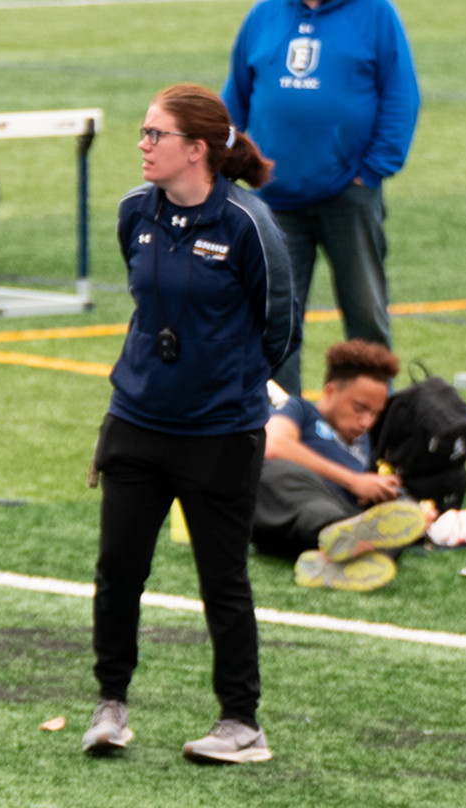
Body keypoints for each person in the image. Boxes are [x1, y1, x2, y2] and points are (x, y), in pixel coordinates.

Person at [83, 84, 299, 764]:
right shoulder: (134, 213)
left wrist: (226, 383)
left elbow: (280, 326)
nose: (143, 146)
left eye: (156, 135)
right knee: (119, 568)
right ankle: (111, 705)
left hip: (220, 432)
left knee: (222, 577)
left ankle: (242, 723)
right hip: (138, 421)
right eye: (143, 133)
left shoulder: (247, 224)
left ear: (196, 149)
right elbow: (147, 307)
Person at [223, 0, 420, 396]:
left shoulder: (376, 13)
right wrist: (228, 163)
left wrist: (373, 170)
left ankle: (372, 428)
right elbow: (234, 99)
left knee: (365, 314)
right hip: (274, 202)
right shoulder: (265, 14)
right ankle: (281, 429)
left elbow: (401, 95)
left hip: (349, 195)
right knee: (276, 318)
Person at [255, 340, 426, 591]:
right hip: (281, 511)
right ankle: (345, 540)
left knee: (397, 514)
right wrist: (354, 481)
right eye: (359, 408)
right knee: (273, 473)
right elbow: (274, 444)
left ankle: (329, 561)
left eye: (376, 414)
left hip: (315, 529)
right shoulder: (300, 409)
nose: (367, 421)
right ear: (331, 391)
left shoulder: (364, 443)